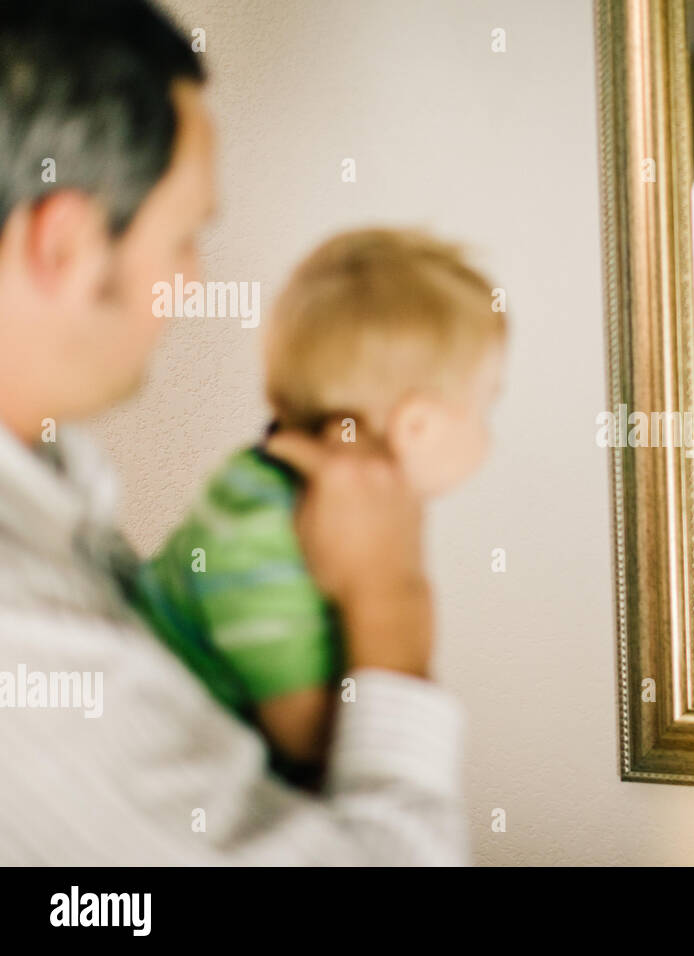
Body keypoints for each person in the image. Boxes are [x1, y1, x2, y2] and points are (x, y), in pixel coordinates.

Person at [0, 0, 469, 863]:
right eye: (184, 240)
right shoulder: (26, 627)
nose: (193, 283)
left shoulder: (51, 497)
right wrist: (387, 601)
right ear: (64, 247)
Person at [133, 228, 505, 784]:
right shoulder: (256, 531)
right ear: (416, 426)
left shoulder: (275, 488)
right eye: (485, 404)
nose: (489, 434)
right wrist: (394, 595)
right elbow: (311, 741)